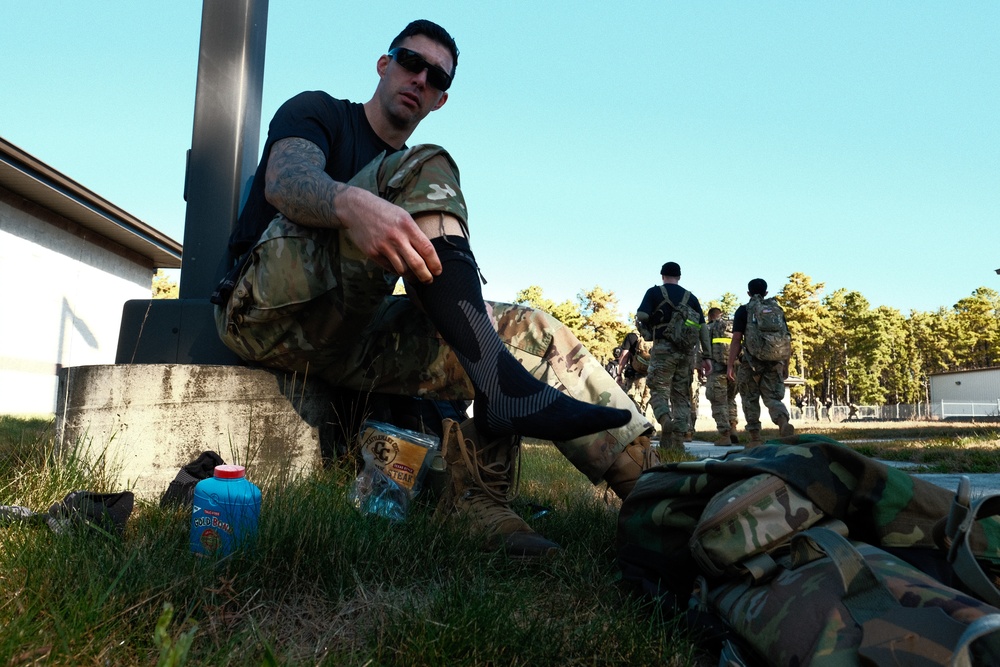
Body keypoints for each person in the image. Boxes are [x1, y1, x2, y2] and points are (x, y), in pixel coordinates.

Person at [210, 20, 656, 558]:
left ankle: (662, 502)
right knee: (428, 165)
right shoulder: (322, 112)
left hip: (349, 337)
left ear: (441, 98)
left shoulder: (415, 184)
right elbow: (284, 180)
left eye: (436, 76)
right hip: (260, 309)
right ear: (384, 63)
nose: (419, 78)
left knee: (528, 331)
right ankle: (501, 385)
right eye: (409, 61)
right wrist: (353, 207)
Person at [635, 262, 710, 451]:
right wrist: (707, 356)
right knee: (681, 395)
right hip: (686, 352)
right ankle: (677, 440)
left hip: (662, 349)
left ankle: (664, 419)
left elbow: (642, 314)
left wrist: (652, 320)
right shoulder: (690, 297)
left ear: (662, 275)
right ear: (679, 277)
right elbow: (702, 328)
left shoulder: (654, 293)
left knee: (658, 390)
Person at [726, 279, 795, 447]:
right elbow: (786, 339)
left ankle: (755, 438)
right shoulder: (776, 311)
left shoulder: (744, 310)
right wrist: (786, 363)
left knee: (750, 399)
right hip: (774, 361)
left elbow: (736, 339)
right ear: (766, 292)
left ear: (748, 293)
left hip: (750, 363)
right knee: (772, 398)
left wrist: (730, 365)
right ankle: (782, 422)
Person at [701, 307, 739, 446]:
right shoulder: (733, 326)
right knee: (731, 399)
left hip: (717, 369)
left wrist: (700, 367)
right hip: (735, 368)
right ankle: (733, 427)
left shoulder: (709, 328)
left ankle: (724, 435)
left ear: (710, 316)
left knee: (718, 402)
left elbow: (702, 349)